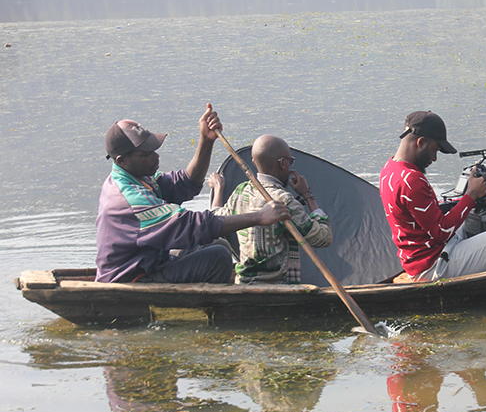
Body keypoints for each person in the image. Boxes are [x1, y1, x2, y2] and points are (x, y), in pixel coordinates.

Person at [95, 104, 291, 284]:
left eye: (154, 150)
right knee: (218, 258)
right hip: (133, 280)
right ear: (122, 161)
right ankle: (210, 311)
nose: (156, 156)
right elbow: (189, 225)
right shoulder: (129, 199)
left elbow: (185, 183)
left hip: (154, 264)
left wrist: (206, 141)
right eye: (146, 155)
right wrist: (258, 217)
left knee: (217, 242)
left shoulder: (141, 178)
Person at [379, 111, 486, 282]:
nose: (434, 158)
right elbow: (442, 231)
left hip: (422, 255)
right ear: (421, 142)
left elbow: (427, 217)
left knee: (476, 218)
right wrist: (471, 195)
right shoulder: (411, 180)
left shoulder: (390, 168)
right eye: (435, 150)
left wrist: (475, 201)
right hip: (433, 265)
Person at [209, 135, 332, 284]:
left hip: (244, 283)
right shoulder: (283, 202)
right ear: (282, 163)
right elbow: (323, 238)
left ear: (254, 163)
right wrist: (307, 195)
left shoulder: (240, 193)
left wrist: (218, 188)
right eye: (290, 161)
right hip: (280, 287)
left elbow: (215, 218)